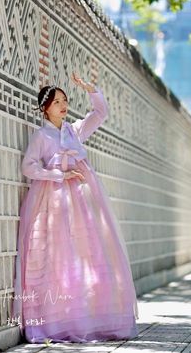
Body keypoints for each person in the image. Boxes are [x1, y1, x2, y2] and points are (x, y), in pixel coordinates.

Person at [11, 72, 139, 344]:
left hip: (81, 202)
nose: (63, 105)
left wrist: (92, 90)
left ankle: (90, 317)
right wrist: (58, 175)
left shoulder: (73, 131)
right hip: (52, 204)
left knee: (86, 253)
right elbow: (28, 167)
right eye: (57, 102)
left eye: (65, 100)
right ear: (45, 108)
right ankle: (54, 321)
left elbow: (100, 113)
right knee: (56, 256)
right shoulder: (42, 136)